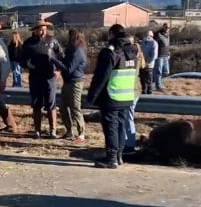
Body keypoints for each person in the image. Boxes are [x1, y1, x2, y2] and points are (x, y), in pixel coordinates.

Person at [86, 24, 137, 169]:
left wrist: (92, 97)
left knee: (111, 127)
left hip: (112, 95)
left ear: (111, 34)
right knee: (121, 126)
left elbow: (101, 77)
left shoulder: (111, 52)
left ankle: (111, 158)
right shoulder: (132, 51)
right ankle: (119, 156)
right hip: (127, 96)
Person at [20, 18, 64, 139]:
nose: (43, 32)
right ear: (35, 30)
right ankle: (37, 130)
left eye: (44, 29)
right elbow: (21, 59)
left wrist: (58, 71)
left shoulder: (52, 41)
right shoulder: (28, 43)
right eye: (40, 30)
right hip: (35, 77)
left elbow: (61, 57)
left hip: (50, 77)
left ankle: (52, 130)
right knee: (36, 104)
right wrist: (26, 65)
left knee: (51, 103)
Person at [50, 28, 87, 143]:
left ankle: (81, 132)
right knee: (63, 107)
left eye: (71, 36)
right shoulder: (72, 50)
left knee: (75, 108)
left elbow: (69, 69)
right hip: (67, 82)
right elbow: (65, 62)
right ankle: (69, 131)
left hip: (75, 82)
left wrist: (53, 61)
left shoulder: (78, 51)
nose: (68, 38)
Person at [123, 34, 145, 154]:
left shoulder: (131, 58)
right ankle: (127, 142)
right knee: (128, 117)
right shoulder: (138, 56)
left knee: (128, 117)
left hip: (130, 91)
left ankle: (129, 144)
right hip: (135, 90)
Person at [140, 30, 158, 94]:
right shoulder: (143, 42)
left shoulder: (154, 43)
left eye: (148, 35)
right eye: (146, 35)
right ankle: (143, 90)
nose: (146, 36)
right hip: (142, 64)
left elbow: (154, 55)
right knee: (142, 78)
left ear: (151, 36)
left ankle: (149, 91)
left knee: (148, 79)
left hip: (149, 64)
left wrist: (148, 62)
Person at [153, 23, 170, 91]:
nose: (167, 29)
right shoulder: (158, 34)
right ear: (163, 27)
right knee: (158, 71)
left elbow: (167, 45)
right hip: (159, 55)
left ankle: (154, 80)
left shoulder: (167, 35)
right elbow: (154, 42)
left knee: (166, 71)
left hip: (166, 55)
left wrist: (168, 53)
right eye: (166, 27)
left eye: (168, 28)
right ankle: (158, 86)